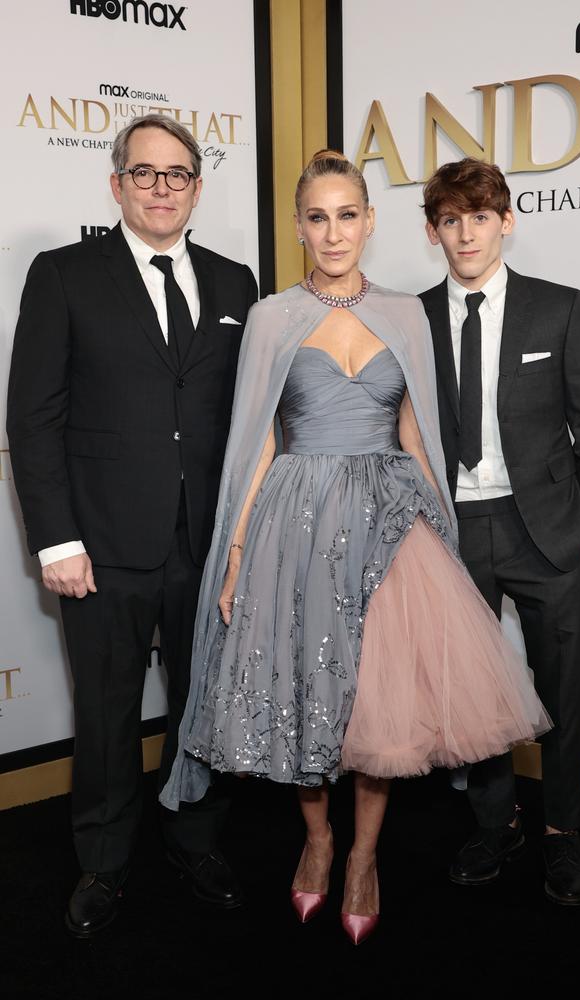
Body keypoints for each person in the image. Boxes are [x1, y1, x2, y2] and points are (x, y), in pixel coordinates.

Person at [161, 149, 550, 944]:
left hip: (389, 518)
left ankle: (365, 856)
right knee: (306, 694)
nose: (333, 232)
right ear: (300, 227)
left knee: (382, 702)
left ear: (369, 223)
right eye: (317, 217)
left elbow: (416, 431)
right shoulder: (272, 316)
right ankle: (318, 841)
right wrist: (235, 554)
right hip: (291, 521)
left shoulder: (408, 313)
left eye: (347, 215)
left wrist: (440, 532)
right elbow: (258, 443)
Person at [7, 114, 258, 937]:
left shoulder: (235, 283)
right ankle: (103, 863)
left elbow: (243, 420)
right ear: (116, 184)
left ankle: (195, 838)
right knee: (109, 717)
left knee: (202, 708)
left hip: (208, 547)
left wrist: (246, 535)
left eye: (177, 173)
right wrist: (56, 539)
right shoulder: (64, 274)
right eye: (144, 173)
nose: (161, 187)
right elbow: (33, 417)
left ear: (196, 186)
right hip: (101, 550)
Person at [418, 158, 580, 905]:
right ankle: (494, 820)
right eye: (450, 219)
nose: (465, 233)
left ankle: (563, 834)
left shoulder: (560, 308)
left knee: (564, 693)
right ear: (432, 230)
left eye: (479, 216)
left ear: (506, 221)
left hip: (549, 532)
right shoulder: (410, 319)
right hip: (453, 532)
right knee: (474, 699)